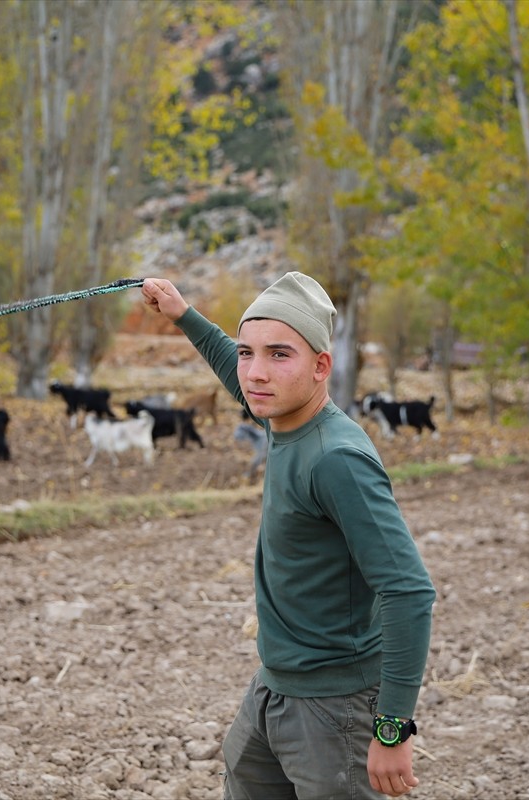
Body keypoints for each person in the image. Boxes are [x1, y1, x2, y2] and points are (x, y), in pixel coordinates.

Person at [142, 272, 436, 799]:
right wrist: (183, 314)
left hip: (335, 706)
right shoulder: (280, 414)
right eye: (247, 352)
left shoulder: (336, 459)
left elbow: (409, 591)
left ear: (322, 366)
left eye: (280, 355)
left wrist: (392, 728)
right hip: (275, 685)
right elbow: (243, 378)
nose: (256, 373)